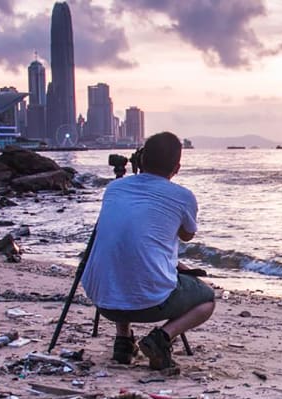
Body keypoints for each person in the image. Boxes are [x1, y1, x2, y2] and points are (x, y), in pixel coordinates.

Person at [80, 131, 215, 370]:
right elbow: (186, 234)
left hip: (102, 300)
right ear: (177, 167)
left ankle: (123, 340)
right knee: (207, 300)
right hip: (151, 303)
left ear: (141, 160)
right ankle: (162, 338)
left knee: (122, 264)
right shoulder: (183, 196)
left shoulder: (114, 189)